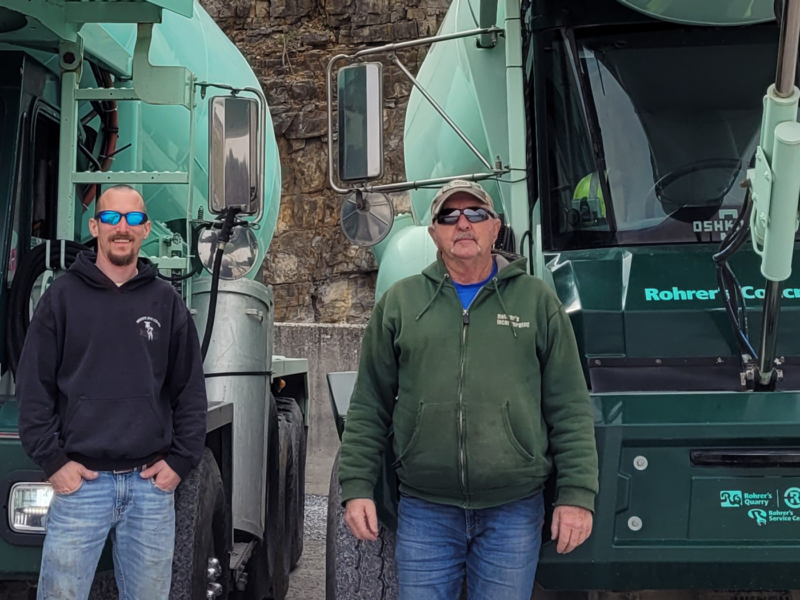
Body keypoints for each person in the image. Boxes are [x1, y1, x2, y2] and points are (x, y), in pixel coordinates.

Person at [338, 179, 599, 600]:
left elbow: (569, 406)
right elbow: (370, 405)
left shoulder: (536, 301)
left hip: (513, 511)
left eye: (475, 214)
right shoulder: (401, 303)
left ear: (495, 228)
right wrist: (356, 488)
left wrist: (576, 494)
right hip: (426, 511)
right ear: (433, 232)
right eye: (449, 216)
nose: (463, 223)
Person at [17, 185, 208, 600]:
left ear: (146, 230)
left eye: (133, 219)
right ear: (94, 226)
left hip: (149, 490)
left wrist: (179, 462)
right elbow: (33, 389)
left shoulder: (166, 302)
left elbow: (190, 391)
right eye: (111, 218)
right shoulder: (61, 298)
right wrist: (54, 462)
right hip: (81, 486)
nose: (122, 228)